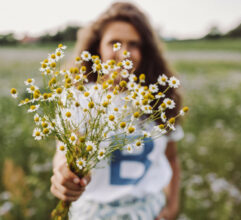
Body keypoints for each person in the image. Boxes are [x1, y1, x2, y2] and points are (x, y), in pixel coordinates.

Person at [50, 2, 184, 219]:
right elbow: (64, 152)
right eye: (114, 43)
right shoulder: (78, 98)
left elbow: (171, 159)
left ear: (144, 51)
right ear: (98, 49)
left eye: (133, 44)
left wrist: (172, 207)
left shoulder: (160, 99)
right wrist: (63, 175)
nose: (124, 53)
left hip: (148, 211)